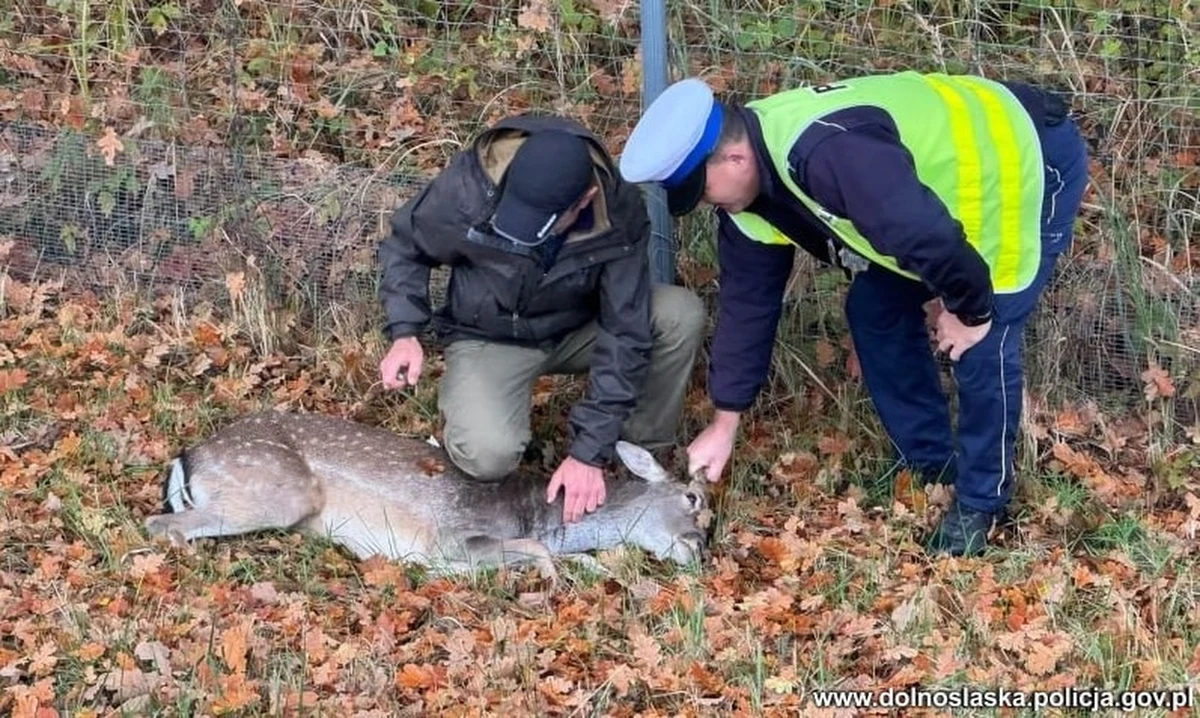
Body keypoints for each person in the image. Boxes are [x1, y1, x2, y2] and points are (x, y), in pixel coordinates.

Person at [619, 71, 1089, 556]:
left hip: (1018, 162)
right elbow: (747, 303)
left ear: (735, 158)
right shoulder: (752, 190)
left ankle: (982, 503)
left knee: (985, 342)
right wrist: (725, 421)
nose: (704, 203)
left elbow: (926, 237)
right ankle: (931, 462)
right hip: (931, 210)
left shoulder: (830, 155)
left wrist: (967, 310)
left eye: (702, 189)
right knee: (874, 308)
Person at [377, 114, 706, 525]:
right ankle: (473, 417)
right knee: (487, 455)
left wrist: (590, 451)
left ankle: (635, 457)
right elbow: (405, 246)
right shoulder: (469, 188)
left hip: (578, 328)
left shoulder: (619, 212)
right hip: (490, 334)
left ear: (584, 200)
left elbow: (625, 330)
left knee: (678, 313)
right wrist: (405, 331)